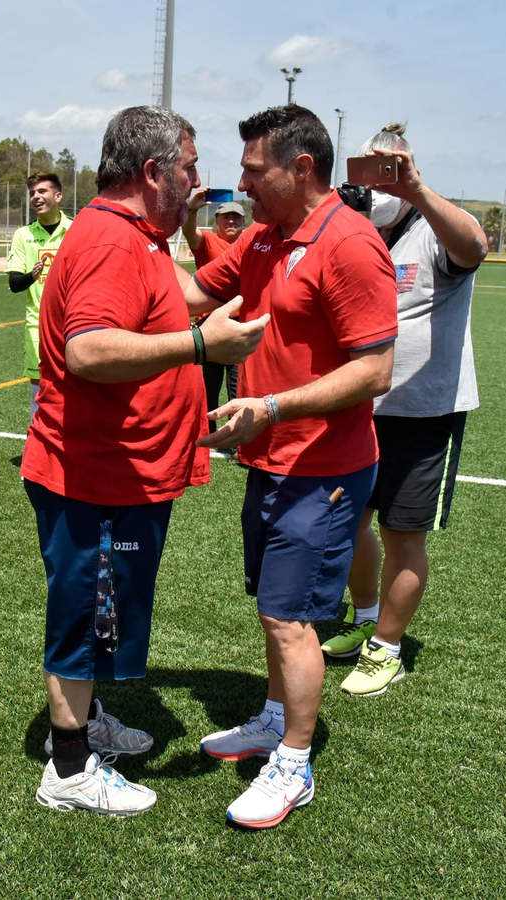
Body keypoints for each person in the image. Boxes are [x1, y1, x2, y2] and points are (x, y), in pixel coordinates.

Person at [21, 105, 268, 816]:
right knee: (82, 612)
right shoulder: (110, 238)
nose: (200, 180)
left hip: (119, 474)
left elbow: (174, 300)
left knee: (101, 613)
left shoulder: (140, 236)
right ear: (154, 170)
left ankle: (84, 723)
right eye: (190, 166)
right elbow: (89, 349)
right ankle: (68, 770)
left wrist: (252, 259)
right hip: (94, 477)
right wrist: (199, 348)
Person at [187, 104, 398, 829]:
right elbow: (197, 294)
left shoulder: (349, 243)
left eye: (253, 169)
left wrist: (272, 408)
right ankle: (276, 717)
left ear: (299, 167)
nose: (242, 183)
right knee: (273, 610)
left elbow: (376, 371)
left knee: (288, 619)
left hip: (326, 470)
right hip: (273, 462)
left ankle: (294, 763)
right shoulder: (267, 238)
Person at [326, 123, 488, 697]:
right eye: (372, 165)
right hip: (359, 407)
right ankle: (366, 619)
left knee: (403, 534)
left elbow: (475, 247)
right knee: (346, 523)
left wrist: (417, 190)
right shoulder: (357, 225)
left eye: (392, 165)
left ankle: (388, 647)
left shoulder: (435, 226)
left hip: (425, 414)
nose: (382, 178)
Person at [181, 190, 248, 446]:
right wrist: (192, 210)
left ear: (244, 221)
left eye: (236, 218)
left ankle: (234, 441)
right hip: (211, 327)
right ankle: (210, 438)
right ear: (216, 222)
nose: (231, 223)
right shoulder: (209, 241)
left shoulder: (250, 245)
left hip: (241, 324)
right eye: (225, 219)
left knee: (237, 387)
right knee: (209, 388)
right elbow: (190, 233)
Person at [5, 172, 70, 419]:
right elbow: (14, 283)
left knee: (74, 387)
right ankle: (38, 450)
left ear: (58, 195)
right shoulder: (23, 235)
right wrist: (32, 276)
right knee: (39, 392)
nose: (36, 197)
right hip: (38, 327)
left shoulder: (75, 230)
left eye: (42, 191)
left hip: (73, 323)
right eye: (33, 193)